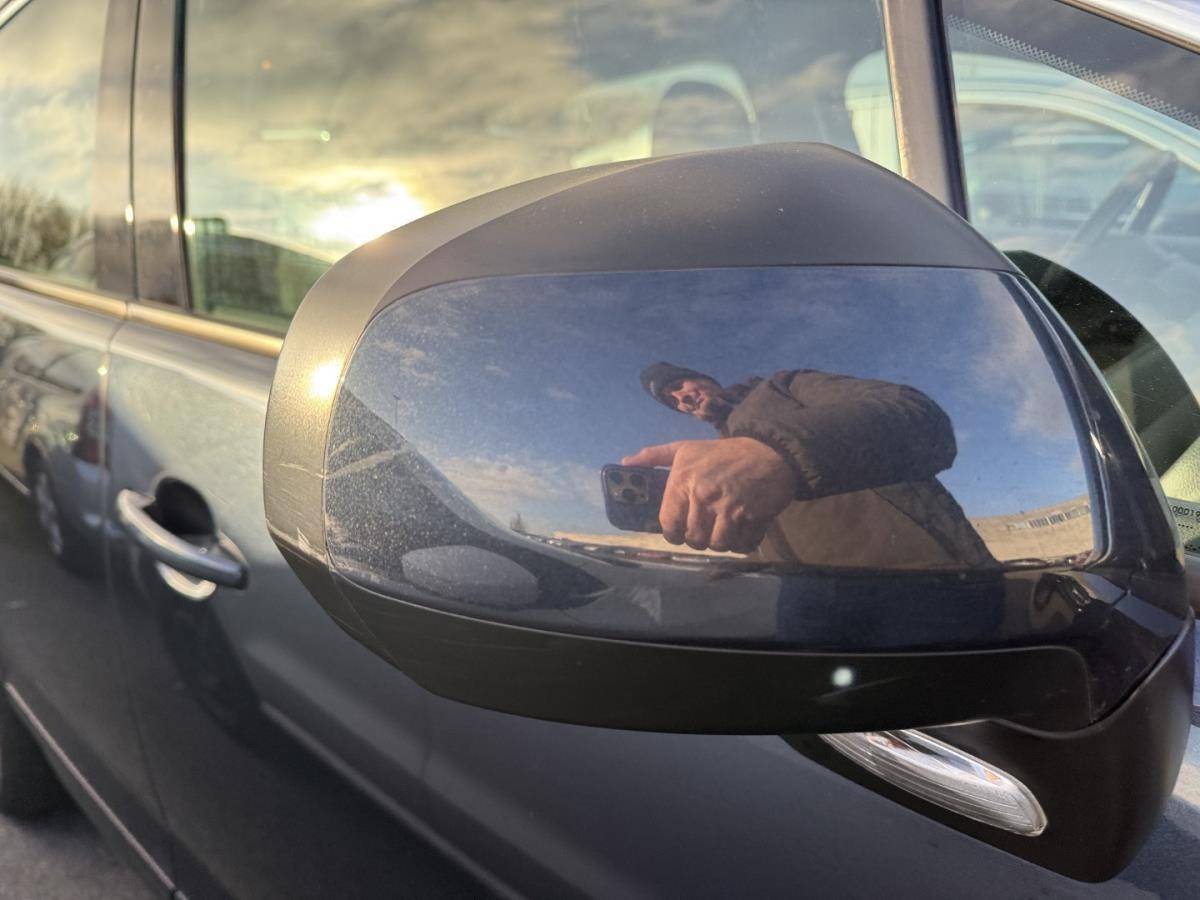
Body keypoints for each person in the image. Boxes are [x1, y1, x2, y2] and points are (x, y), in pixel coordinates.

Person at [626, 363, 994, 568]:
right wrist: (703, 564)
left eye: (679, 383)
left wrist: (773, 452)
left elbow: (922, 418)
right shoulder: (717, 455)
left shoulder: (782, 386)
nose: (682, 397)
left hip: (921, 578)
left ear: (704, 376)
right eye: (672, 400)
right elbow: (760, 538)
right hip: (808, 610)